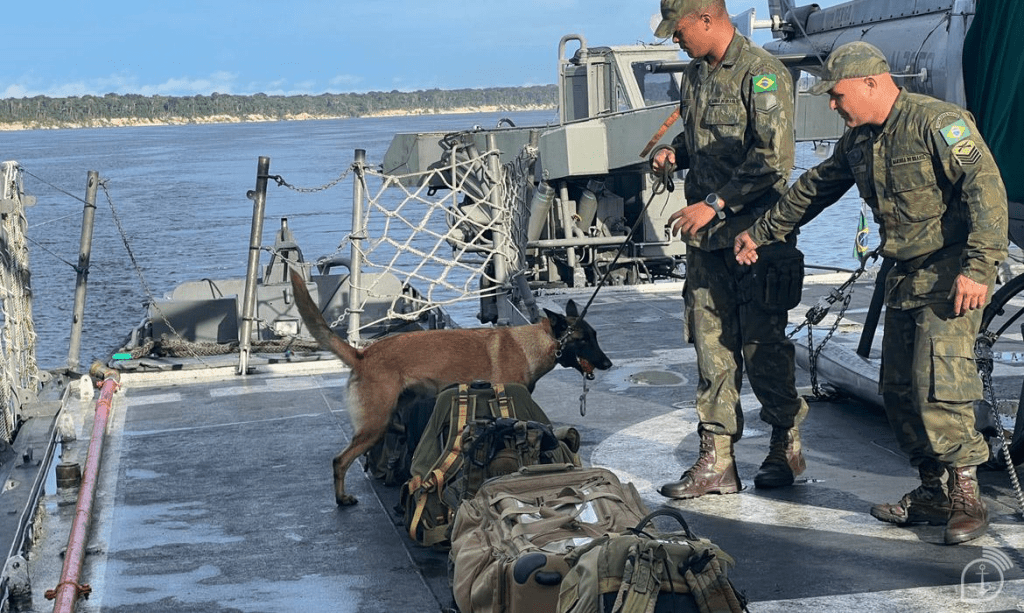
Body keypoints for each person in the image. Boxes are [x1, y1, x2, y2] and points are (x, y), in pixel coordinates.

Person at [734, 41, 1008, 545]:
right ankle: (932, 492)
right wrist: (762, 231)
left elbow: (985, 189)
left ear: (871, 83)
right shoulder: (859, 141)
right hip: (903, 277)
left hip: (950, 277)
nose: (833, 107)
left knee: (938, 382)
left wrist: (979, 266)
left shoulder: (938, 122)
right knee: (899, 389)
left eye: (837, 96)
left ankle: (967, 495)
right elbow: (815, 187)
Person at [651, 0, 809, 500]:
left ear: (705, 19)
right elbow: (703, 135)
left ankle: (784, 444)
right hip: (708, 242)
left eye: (678, 31)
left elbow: (772, 160)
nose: (675, 41)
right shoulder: (695, 75)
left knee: (763, 350)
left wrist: (715, 204)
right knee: (711, 349)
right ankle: (717, 461)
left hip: (757, 237)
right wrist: (675, 151)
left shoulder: (763, 74)